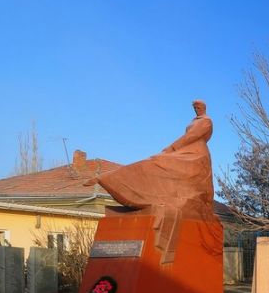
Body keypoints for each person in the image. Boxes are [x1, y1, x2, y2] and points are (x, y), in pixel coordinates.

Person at [84, 100, 217, 262]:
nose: (196, 109)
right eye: (194, 107)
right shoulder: (194, 121)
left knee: (159, 163)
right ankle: (114, 181)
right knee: (157, 162)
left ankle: (110, 179)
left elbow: (192, 136)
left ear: (204, 108)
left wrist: (172, 148)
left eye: (198, 107)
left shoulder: (206, 121)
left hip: (196, 156)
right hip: (185, 151)